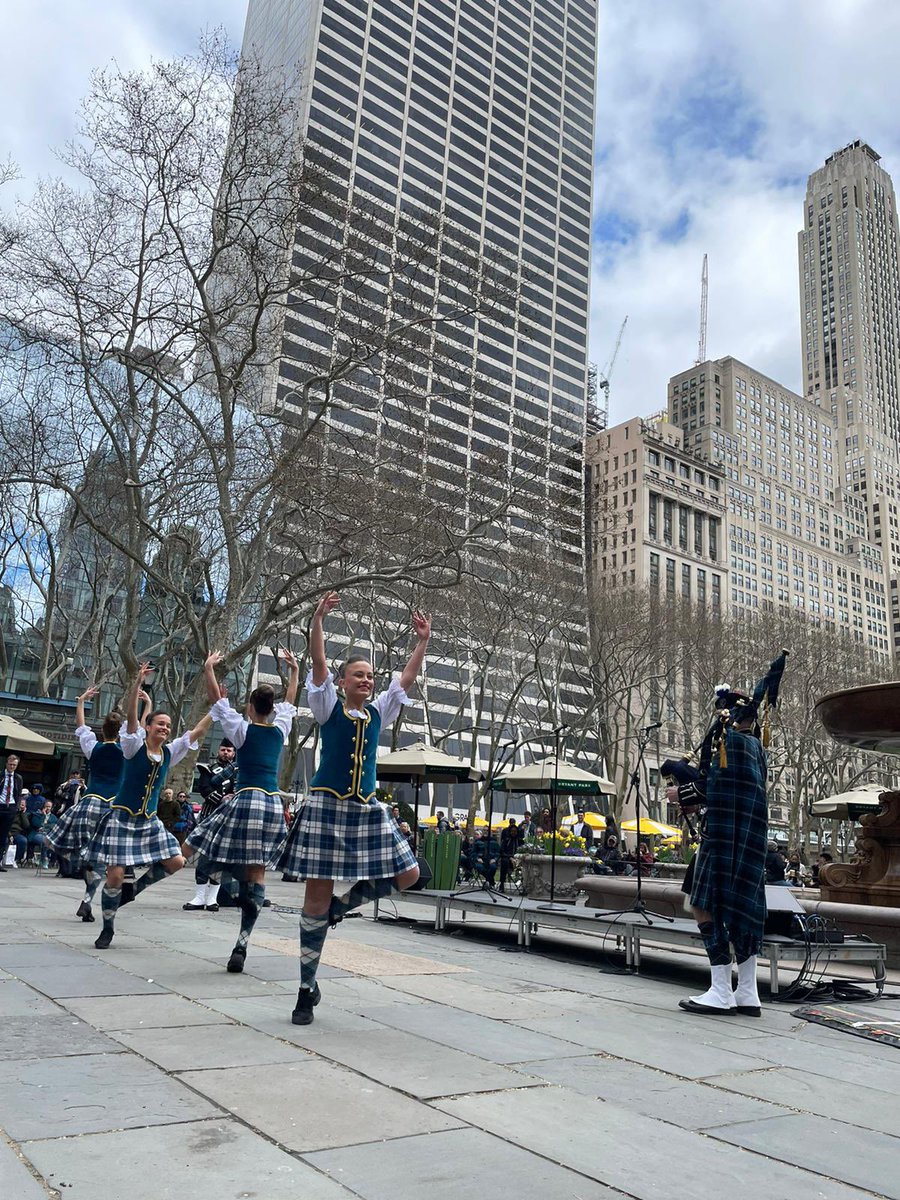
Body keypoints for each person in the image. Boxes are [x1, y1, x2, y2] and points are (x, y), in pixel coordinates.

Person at [274, 591, 427, 1025]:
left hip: (366, 807)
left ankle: (340, 909)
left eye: (370, 676)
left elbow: (406, 682)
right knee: (314, 898)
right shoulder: (327, 707)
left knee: (409, 874)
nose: (367, 680)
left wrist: (422, 643)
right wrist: (318, 620)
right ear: (343, 682)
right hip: (326, 805)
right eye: (359, 675)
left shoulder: (379, 712)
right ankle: (305, 990)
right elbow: (319, 667)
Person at [671, 651, 787, 1018]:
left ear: (727, 713)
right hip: (749, 839)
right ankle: (748, 992)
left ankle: (721, 988)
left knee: (704, 904)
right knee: (744, 910)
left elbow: (717, 786)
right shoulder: (757, 748)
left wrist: (682, 791)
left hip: (723, 837)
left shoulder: (729, 742)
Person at [184, 649, 299, 973]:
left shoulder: (241, 729)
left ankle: (148, 883)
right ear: (272, 709)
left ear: (249, 707)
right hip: (271, 803)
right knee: (258, 872)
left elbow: (215, 702)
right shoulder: (280, 729)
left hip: (245, 798)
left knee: (198, 846)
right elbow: (290, 702)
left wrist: (209, 668)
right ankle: (243, 941)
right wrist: (293, 672)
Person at [83, 662, 211, 950]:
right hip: (123, 817)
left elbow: (195, 733)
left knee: (177, 861)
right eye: (160, 724)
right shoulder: (132, 746)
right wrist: (136, 686)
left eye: (167, 725)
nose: (165, 728)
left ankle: (134, 890)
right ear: (149, 727)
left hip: (149, 820)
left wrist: (215, 710)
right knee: (114, 875)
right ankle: (108, 928)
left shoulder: (169, 752)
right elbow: (130, 720)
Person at [45, 687, 136, 921]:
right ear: (120, 732)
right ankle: (96, 896)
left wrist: (81, 702)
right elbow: (137, 729)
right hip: (115, 804)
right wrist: (143, 706)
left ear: (102, 730)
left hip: (90, 803)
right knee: (111, 855)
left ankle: (87, 894)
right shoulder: (126, 749)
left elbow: (81, 726)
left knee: (91, 855)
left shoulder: (92, 746)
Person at [183, 738, 238, 911]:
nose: (226, 753)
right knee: (203, 858)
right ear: (218, 751)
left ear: (234, 753)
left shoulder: (238, 771)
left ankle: (212, 898)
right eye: (223, 750)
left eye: (229, 751)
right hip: (208, 817)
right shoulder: (208, 769)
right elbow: (204, 788)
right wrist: (222, 798)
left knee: (219, 858)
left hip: (227, 819)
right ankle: (199, 897)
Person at [0, 754, 24, 872]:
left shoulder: (18, 778)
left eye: (14, 765)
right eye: (10, 764)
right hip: (0, 804)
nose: (12, 766)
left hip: (10, 807)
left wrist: (17, 806)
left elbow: (19, 793)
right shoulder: (1, 775)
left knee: (3, 836)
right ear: (6, 764)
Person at [498, 817, 519, 891]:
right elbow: (502, 851)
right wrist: (510, 857)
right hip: (507, 859)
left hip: (517, 859)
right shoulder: (506, 840)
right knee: (504, 862)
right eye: (512, 831)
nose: (513, 833)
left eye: (515, 831)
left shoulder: (518, 841)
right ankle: (502, 884)